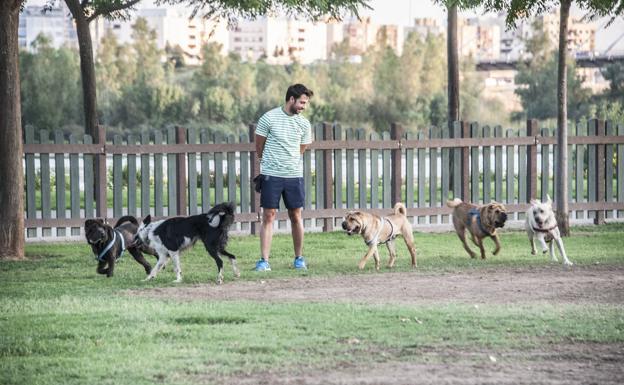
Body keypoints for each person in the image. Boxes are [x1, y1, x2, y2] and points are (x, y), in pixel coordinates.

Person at [254, 84, 313, 271]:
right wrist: (269, 163)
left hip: (294, 176)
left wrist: (290, 162)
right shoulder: (268, 118)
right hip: (271, 175)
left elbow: (302, 149)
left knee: (296, 215)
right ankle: (264, 261)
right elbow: (259, 146)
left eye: (306, 103)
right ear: (291, 99)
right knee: (268, 216)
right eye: (302, 102)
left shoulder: (303, 123)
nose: (304, 107)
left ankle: (299, 259)